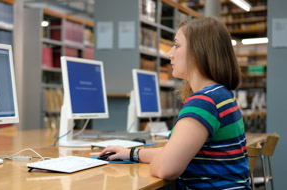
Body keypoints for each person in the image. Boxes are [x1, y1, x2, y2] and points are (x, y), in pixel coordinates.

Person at [99, 17, 250, 189]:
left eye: (177, 46)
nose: (169, 53)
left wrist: (161, 160)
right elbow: (175, 152)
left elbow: (165, 168)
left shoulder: (204, 102)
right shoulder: (221, 95)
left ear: (198, 52)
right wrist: (131, 153)